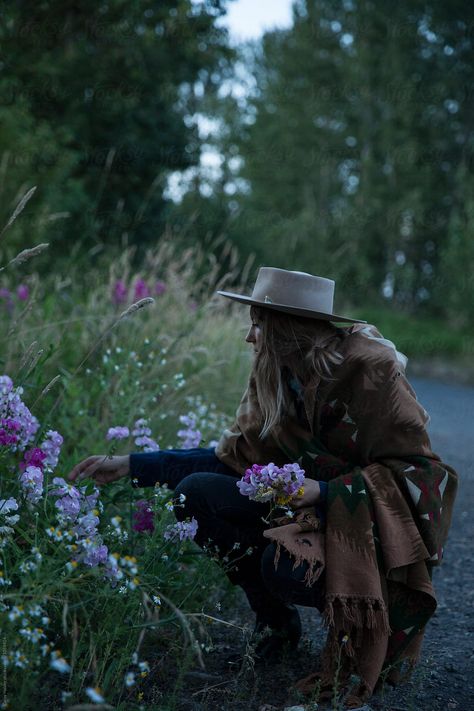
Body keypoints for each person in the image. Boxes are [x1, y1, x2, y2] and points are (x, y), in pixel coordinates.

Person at [68, 267, 458, 710]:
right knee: (198, 491)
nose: (249, 337)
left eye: (258, 324)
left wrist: (325, 493)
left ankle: (358, 624)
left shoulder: (372, 370)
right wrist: (132, 464)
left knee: (284, 564)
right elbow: (233, 459)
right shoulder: (276, 375)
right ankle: (276, 623)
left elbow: (424, 476)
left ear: (289, 329)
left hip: (363, 528)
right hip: (307, 513)